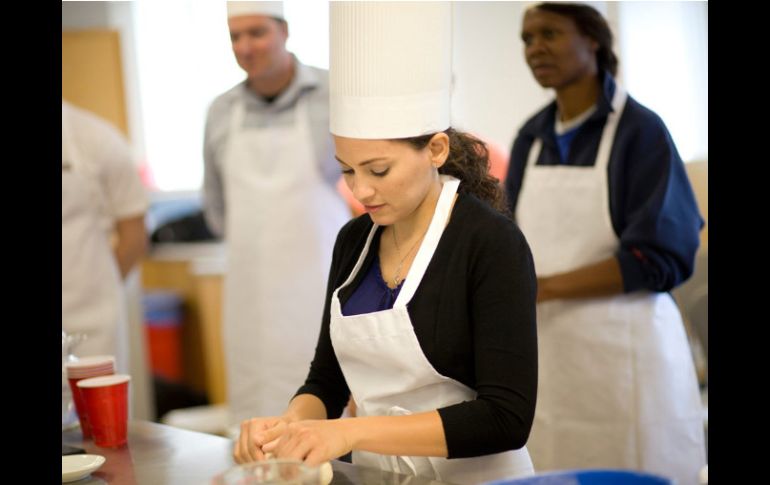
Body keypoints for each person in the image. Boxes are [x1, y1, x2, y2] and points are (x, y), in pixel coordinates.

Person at [233, 3, 538, 484]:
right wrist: (291, 425)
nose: (361, 191)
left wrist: (351, 435)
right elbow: (326, 381)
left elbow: (506, 417)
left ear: (435, 150)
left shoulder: (489, 242)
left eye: (378, 170)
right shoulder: (354, 241)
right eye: (347, 170)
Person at [505, 3, 706, 484]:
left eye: (549, 33)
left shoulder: (641, 132)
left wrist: (542, 287)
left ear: (593, 38)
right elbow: (506, 237)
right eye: (527, 39)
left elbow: (659, 257)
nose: (535, 49)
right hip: (549, 361)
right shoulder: (531, 136)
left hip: (628, 360)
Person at [202, 1, 351, 425]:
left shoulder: (334, 93)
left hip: (320, 280)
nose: (245, 46)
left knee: (327, 403)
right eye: (235, 36)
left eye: (257, 33)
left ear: (284, 31)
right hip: (249, 294)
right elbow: (215, 207)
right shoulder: (220, 111)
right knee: (256, 415)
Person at [61, 100, 149, 374]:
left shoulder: (96, 139)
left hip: (91, 324)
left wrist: (98, 291)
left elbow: (134, 236)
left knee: (97, 414)